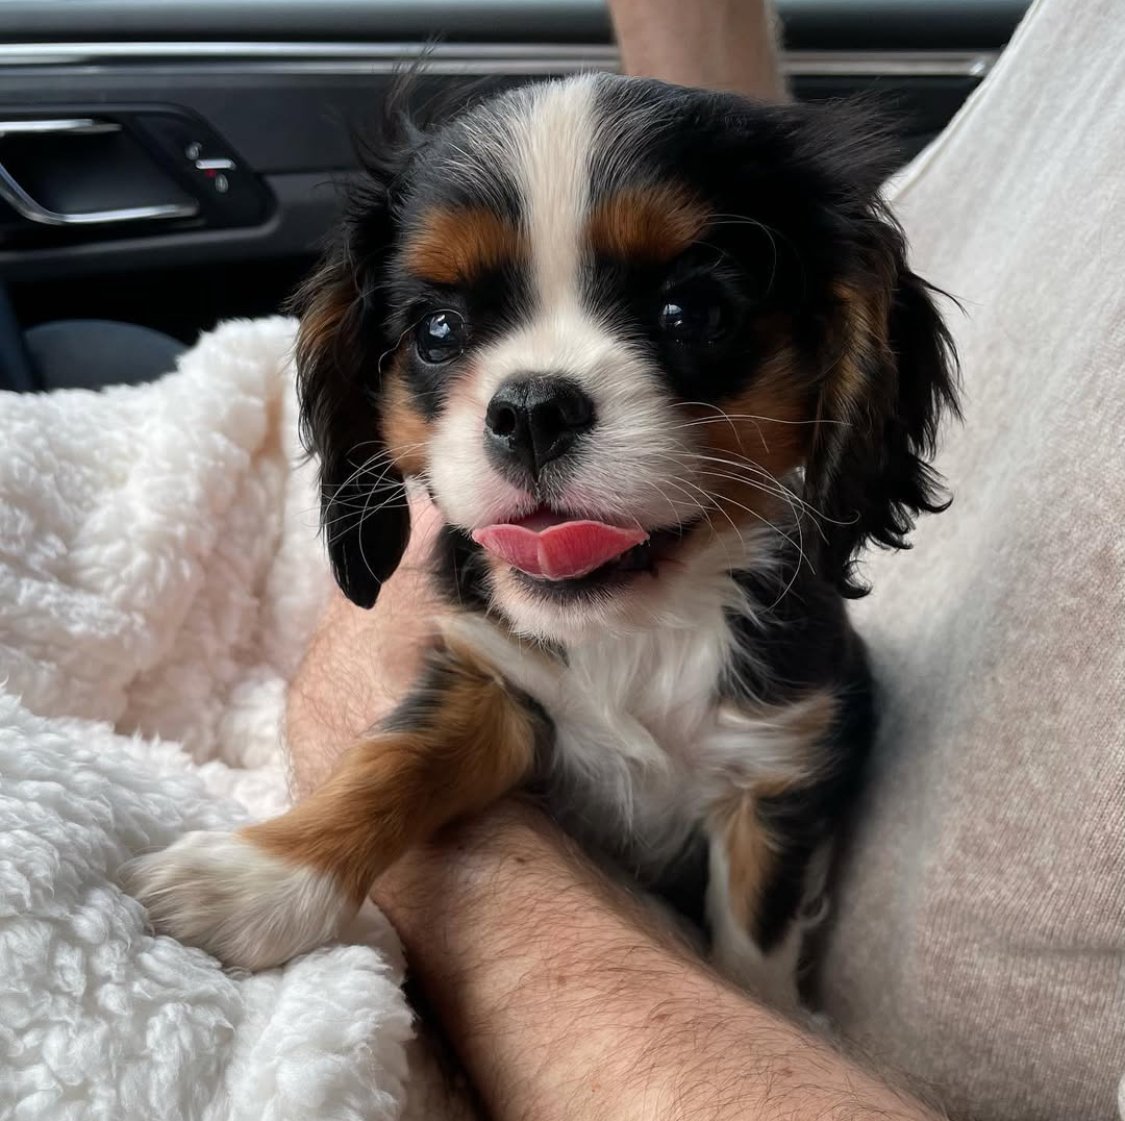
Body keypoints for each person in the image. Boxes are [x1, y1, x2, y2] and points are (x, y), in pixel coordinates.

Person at [285, 0, 1125, 1117]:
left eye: (690, 310)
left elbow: (778, 798)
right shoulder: (483, 589)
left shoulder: (790, 651)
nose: (533, 398)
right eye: (443, 332)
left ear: (847, 357)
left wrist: (751, 989)